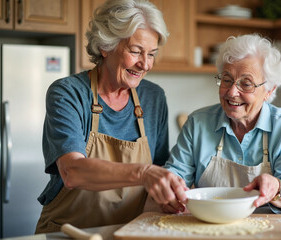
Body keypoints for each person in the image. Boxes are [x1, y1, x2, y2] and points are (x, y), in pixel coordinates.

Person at [35, 0, 187, 233]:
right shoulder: (68, 93)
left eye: (151, 54)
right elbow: (72, 171)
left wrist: (169, 195)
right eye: (135, 51)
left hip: (129, 233)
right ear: (106, 46)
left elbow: (159, 169)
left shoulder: (153, 98)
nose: (144, 64)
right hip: (68, 232)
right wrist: (143, 173)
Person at [163, 34, 281, 213]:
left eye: (246, 84)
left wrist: (277, 188)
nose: (232, 92)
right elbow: (176, 175)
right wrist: (169, 189)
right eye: (227, 80)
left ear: (269, 90)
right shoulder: (198, 123)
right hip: (211, 226)